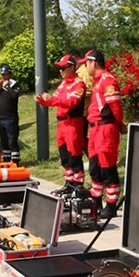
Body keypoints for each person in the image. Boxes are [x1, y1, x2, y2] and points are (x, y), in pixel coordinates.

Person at [81, 49, 124, 219]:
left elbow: (115, 108)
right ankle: (96, 199)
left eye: (86, 63)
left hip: (105, 129)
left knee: (107, 168)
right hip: (95, 129)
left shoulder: (107, 80)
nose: (85, 67)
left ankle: (111, 205)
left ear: (94, 63)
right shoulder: (98, 81)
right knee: (94, 167)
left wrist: (118, 125)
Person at [35, 54, 86, 190]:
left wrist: (52, 99)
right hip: (61, 125)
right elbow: (55, 101)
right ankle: (69, 184)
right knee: (64, 156)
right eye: (60, 68)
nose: (61, 71)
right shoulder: (63, 83)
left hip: (73, 123)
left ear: (72, 67)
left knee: (74, 155)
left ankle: (78, 186)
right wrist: (42, 101)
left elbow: (72, 102)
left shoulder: (79, 84)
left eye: (63, 68)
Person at [0, 64, 21, 163]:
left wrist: (7, 87)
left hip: (11, 117)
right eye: (2, 75)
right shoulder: (0, 85)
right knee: (4, 141)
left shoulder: (14, 84)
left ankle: (15, 160)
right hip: (2, 117)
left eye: (6, 74)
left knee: (12, 140)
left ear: (10, 74)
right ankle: (6, 159)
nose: (4, 77)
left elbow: (15, 95)